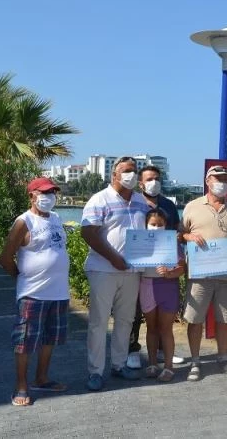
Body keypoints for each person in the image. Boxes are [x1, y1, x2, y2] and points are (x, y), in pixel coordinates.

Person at [81, 156, 150, 391]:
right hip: (103, 270)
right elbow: (88, 233)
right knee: (99, 322)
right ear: (114, 175)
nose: (131, 174)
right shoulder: (100, 199)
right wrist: (113, 258)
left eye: (134, 170)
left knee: (126, 320)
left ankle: (119, 365)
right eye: (126, 170)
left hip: (132, 272)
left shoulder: (142, 202)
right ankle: (95, 371)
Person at [0, 177, 69, 406]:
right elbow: (5, 258)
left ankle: (42, 378)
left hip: (58, 293)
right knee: (25, 342)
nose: (49, 197)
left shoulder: (57, 218)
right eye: (44, 192)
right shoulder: (24, 221)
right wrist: (22, 277)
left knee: (50, 339)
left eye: (52, 193)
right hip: (33, 294)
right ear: (32, 195)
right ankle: (21, 386)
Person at [182, 165, 227, 381]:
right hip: (199, 275)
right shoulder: (191, 206)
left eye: (226, 179)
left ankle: (222, 358)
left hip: (226, 275)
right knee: (195, 319)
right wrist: (188, 237)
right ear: (207, 181)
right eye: (218, 178)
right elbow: (179, 234)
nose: (222, 182)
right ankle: (195, 361)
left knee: (223, 320)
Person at [127, 165, 183, 369]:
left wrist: (175, 240)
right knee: (134, 311)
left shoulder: (168, 204)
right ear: (140, 183)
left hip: (164, 270)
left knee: (162, 319)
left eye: (157, 178)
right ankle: (132, 349)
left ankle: (161, 352)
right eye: (149, 179)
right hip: (139, 268)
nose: (154, 182)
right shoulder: (133, 203)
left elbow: (176, 230)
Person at [140, 208, 185, 382]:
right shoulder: (139, 242)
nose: (156, 227)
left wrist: (169, 272)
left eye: (160, 225)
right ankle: (152, 364)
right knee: (151, 327)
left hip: (168, 287)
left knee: (166, 329)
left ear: (166, 226)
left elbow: (182, 267)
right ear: (146, 225)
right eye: (153, 224)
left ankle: (168, 367)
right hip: (147, 285)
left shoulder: (171, 242)